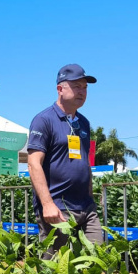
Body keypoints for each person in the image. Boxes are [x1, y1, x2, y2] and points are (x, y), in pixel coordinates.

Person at [27, 63, 103, 254]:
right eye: (77, 86)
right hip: (58, 209)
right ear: (60, 89)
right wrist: (47, 204)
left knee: (97, 260)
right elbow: (34, 163)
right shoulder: (44, 120)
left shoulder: (83, 122)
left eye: (85, 87)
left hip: (86, 207)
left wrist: (92, 198)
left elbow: (83, 163)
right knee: (53, 271)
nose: (82, 92)